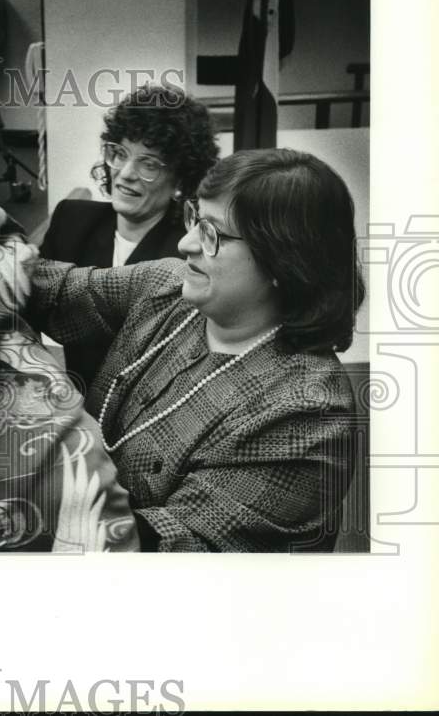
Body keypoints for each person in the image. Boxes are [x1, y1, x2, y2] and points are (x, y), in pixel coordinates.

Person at [28, 148, 365, 551]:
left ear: (284, 261)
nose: (186, 243)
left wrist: (24, 506)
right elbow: (49, 289)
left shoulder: (305, 413)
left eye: (212, 234)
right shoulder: (169, 289)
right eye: (194, 219)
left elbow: (173, 550)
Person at [40, 83, 218, 391]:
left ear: (180, 177)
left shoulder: (188, 250)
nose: (125, 173)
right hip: (75, 410)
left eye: (148, 163)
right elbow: (32, 307)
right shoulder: (71, 219)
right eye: (120, 153)